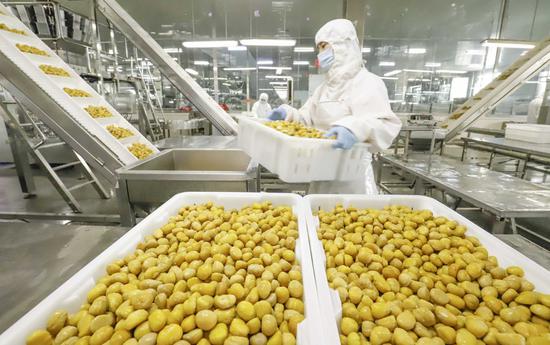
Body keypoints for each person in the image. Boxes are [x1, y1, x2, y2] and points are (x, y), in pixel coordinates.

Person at [268, 18, 402, 194]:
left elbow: (386, 125)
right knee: (318, 216)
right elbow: (306, 120)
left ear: (342, 46)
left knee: (355, 219)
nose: (320, 53)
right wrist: (287, 113)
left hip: (353, 179)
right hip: (321, 172)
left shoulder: (367, 82)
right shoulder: (323, 89)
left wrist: (354, 129)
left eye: (324, 46)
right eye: (319, 48)